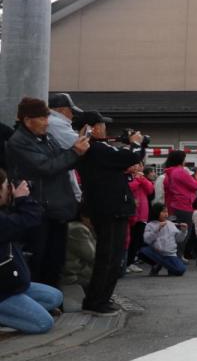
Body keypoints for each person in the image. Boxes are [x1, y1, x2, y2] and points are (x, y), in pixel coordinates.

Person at [5, 97, 90, 287]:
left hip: (55, 207)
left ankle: (53, 300)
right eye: (42, 118)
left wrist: (78, 147)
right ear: (27, 120)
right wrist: (75, 152)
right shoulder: (19, 141)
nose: (47, 122)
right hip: (38, 208)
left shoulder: (46, 138)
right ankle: (43, 302)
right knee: (39, 259)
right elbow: (46, 167)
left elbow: (62, 158)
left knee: (56, 259)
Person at [74, 111, 147, 315]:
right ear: (93, 127)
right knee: (109, 257)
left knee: (110, 256)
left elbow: (121, 161)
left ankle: (100, 298)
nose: (105, 128)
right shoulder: (95, 148)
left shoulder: (92, 149)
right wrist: (135, 143)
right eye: (101, 125)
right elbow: (129, 156)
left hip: (106, 207)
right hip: (109, 208)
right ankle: (97, 301)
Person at [0, 169, 64, 334]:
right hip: (4, 291)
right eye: (7, 186)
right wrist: (22, 200)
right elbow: (30, 219)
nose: (11, 190)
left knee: (55, 297)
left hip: (13, 285)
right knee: (43, 323)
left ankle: (16, 311)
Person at [47, 92, 84, 205]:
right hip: (60, 174)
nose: (73, 115)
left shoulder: (52, 121)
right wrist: (84, 136)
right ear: (62, 110)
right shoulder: (56, 123)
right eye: (71, 111)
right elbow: (80, 144)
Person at [140, 203, 188, 276]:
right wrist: (157, 228)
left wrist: (183, 231)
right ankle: (160, 264)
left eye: (167, 212)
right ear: (156, 212)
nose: (166, 214)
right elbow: (147, 240)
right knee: (142, 251)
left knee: (181, 270)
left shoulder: (170, 224)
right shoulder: (150, 225)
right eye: (163, 212)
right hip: (157, 253)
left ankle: (161, 265)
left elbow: (179, 239)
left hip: (170, 255)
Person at [126, 161, 155, 273]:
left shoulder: (142, 178)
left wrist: (142, 179)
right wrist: (137, 180)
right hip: (131, 212)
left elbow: (150, 190)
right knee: (129, 239)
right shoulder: (126, 176)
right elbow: (128, 188)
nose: (138, 167)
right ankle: (126, 262)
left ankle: (132, 261)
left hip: (142, 212)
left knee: (137, 239)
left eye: (140, 165)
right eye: (136, 164)